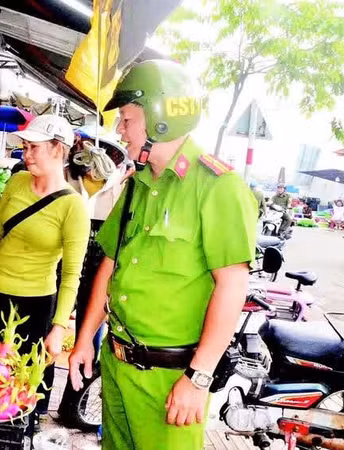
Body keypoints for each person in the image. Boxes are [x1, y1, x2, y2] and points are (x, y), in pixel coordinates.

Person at [67, 59, 256, 450]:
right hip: (116, 366)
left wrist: (198, 379)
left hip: (171, 381)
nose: (120, 130)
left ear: (160, 119)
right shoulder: (137, 185)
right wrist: (84, 339)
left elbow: (233, 286)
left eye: (127, 119)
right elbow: (110, 265)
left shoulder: (218, 187)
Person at [0, 114, 90, 426]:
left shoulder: (73, 207)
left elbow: (71, 276)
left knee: (19, 393)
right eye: (26, 147)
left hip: (34, 308)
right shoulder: (17, 182)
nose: (26, 154)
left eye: (34, 148)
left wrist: (59, 328)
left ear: (58, 150)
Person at [56, 134, 129, 426]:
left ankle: (73, 408)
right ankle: (36, 406)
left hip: (98, 267)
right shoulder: (67, 179)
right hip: (63, 265)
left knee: (89, 339)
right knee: (51, 330)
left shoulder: (120, 187)